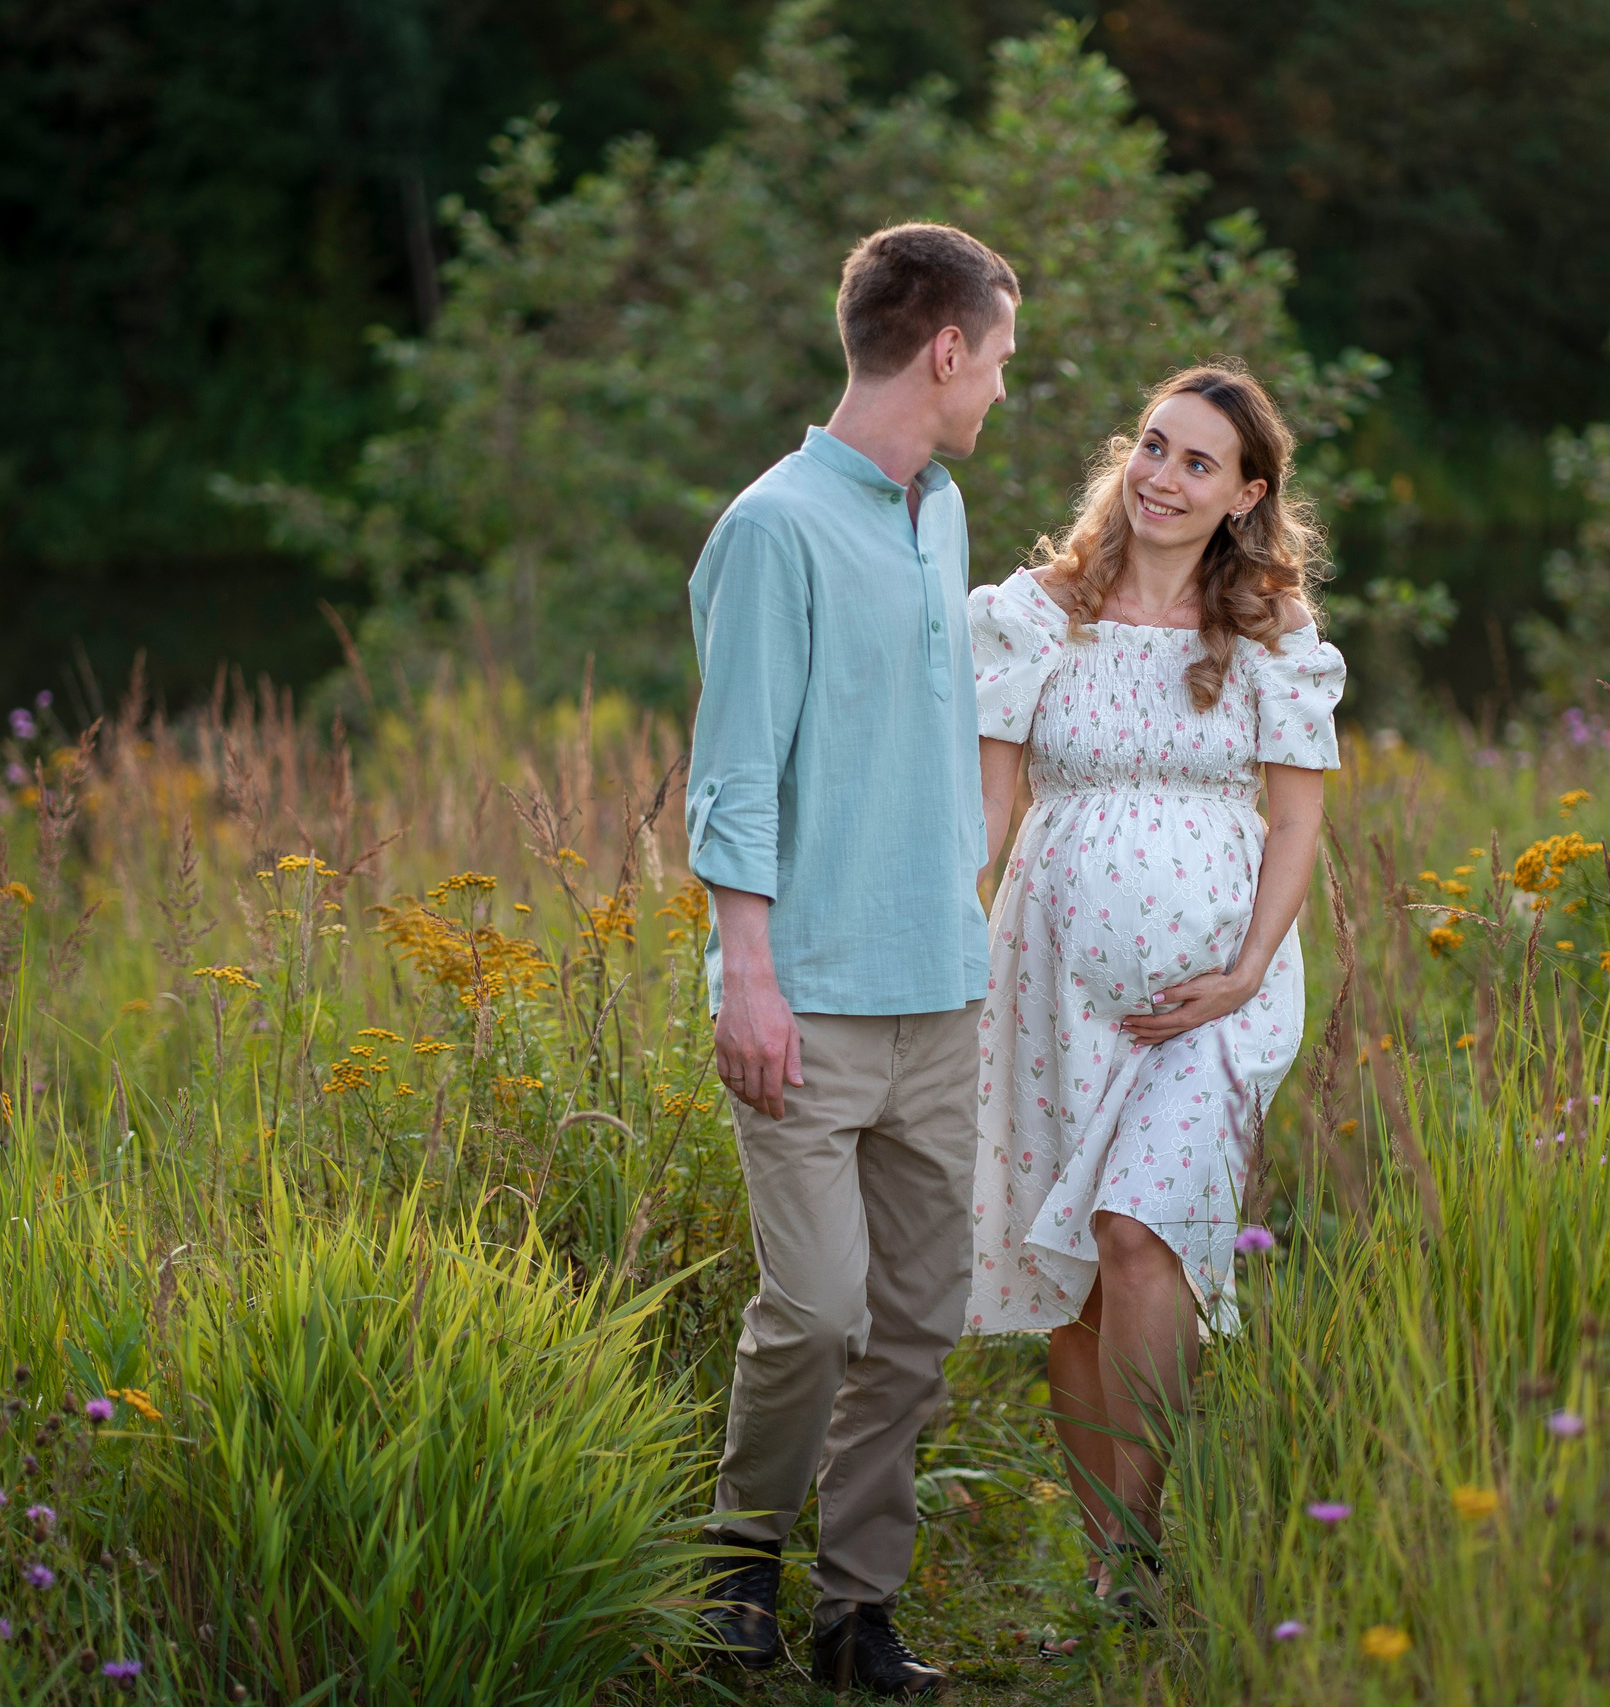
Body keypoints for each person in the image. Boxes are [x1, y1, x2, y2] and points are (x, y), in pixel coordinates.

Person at [685, 222, 1021, 1697]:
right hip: (808, 997)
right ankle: (736, 1555)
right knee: (815, 1305)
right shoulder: (772, 527)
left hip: (940, 987)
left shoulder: (938, 511)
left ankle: (855, 1609)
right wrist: (744, 970)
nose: (1002, 389)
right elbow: (733, 773)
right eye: (1000, 359)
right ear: (945, 347)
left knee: (920, 1318)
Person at [963, 363, 1342, 1624]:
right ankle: (1112, 1569)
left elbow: (1295, 825)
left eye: (1198, 463)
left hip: (1216, 996)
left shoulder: (1272, 641)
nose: (1164, 478)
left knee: (1141, 1234)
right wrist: (947, 940)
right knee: (1076, 1267)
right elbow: (991, 804)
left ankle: (1152, 1528)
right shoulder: (1038, 615)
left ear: (1246, 495)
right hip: (1048, 980)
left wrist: (1242, 971)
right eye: (1153, 448)